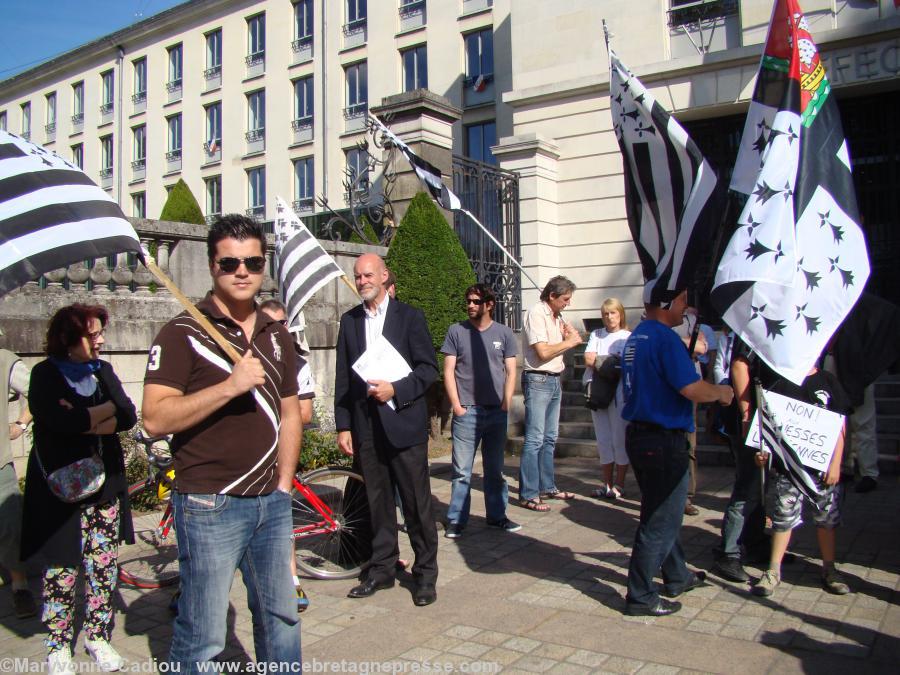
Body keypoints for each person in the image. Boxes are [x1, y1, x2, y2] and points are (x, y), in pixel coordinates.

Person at [142, 215, 302, 673]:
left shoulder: (276, 333)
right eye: (230, 262)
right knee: (203, 634)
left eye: (253, 262)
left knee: (282, 618)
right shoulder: (183, 333)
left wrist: (285, 484)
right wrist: (230, 386)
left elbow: (291, 412)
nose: (242, 271)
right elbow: (154, 417)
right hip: (209, 503)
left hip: (271, 502)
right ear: (213, 266)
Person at [21, 304, 137, 674]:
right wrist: (103, 413)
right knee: (61, 567)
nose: (101, 340)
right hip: (60, 490)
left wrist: (86, 418)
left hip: (104, 486)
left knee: (102, 564)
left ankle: (97, 636)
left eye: (101, 332)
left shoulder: (103, 371)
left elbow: (128, 414)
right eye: (92, 334)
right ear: (69, 338)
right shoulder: (44, 374)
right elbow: (57, 420)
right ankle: (58, 644)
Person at [334, 253, 439, 606]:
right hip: (367, 429)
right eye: (357, 276)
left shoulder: (409, 317)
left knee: (416, 505)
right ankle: (382, 569)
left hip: (404, 425)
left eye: (368, 275)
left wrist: (396, 389)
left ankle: (425, 575)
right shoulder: (349, 321)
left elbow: (428, 369)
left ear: (383, 276)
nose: (362, 281)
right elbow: (343, 379)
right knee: (377, 505)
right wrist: (344, 425)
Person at [620, 289, 733, 616]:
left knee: (660, 511)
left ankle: (677, 575)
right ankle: (640, 595)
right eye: (682, 300)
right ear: (666, 303)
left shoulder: (639, 335)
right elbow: (691, 388)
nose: (686, 307)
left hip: (641, 436)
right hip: (662, 440)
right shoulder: (664, 339)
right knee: (661, 520)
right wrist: (721, 392)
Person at [751, 365, 851, 598]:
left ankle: (829, 568)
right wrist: (762, 454)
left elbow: (840, 425)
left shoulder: (828, 381)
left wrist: (836, 463)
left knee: (827, 518)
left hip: (822, 468)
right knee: (783, 518)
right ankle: (773, 570)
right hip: (788, 468)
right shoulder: (780, 383)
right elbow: (767, 425)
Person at [442, 283, 520, 538]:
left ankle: (497, 517)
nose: (470, 305)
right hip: (467, 411)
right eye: (468, 301)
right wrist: (457, 406)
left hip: (496, 412)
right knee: (462, 472)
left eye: (476, 301)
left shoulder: (504, 333)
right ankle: (456, 520)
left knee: (495, 470)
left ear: (489, 304)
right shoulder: (456, 331)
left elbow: (511, 371)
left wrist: (506, 402)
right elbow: (448, 371)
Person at [259, 298, 315, 613]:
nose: (277, 329)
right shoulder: (247, 357)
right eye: (269, 323)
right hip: (251, 452)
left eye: (282, 323)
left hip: (281, 449)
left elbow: (304, 414)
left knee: (282, 515)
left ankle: (292, 580)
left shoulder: (297, 363)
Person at [710, 337, 779, 584]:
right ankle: (728, 552)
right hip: (751, 423)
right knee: (747, 486)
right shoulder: (754, 327)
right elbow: (739, 366)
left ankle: (755, 541)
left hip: (770, 418)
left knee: (760, 485)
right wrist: (747, 415)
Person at [519, 276, 583, 512]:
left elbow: (554, 350)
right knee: (535, 438)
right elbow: (543, 352)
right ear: (552, 296)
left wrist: (566, 337)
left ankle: (547, 486)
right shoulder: (536, 313)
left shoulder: (557, 316)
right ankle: (528, 494)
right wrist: (569, 342)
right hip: (538, 379)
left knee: (550, 437)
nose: (568, 303)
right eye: (565, 299)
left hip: (555, 379)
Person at [0, 344, 37, 619]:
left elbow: (38, 389)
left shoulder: (3, 360)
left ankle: (20, 586)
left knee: (9, 527)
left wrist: (22, 424)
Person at [584, 298, 632, 501]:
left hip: (619, 392)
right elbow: (588, 358)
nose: (609, 317)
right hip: (598, 391)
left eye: (613, 313)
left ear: (620, 314)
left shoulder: (628, 336)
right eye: (605, 313)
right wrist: (611, 362)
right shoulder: (596, 334)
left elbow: (628, 363)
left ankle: (619, 483)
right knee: (603, 438)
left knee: (619, 437)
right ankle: (607, 483)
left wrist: (602, 361)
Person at [672, 307, 710, 516]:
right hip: (667, 387)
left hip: (691, 385)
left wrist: (674, 343)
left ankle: (686, 495)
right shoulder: (655, 316)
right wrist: (687, 344)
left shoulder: (692, 319)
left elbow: (702, 347)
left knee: (689, 443)